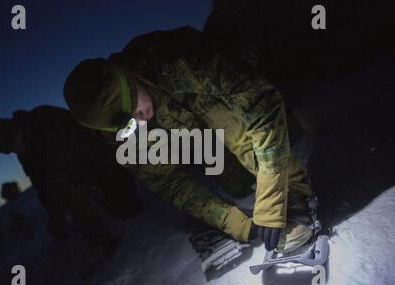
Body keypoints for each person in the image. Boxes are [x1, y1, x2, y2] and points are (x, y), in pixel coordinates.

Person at [63, 27, 315, 253]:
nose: (138, 119)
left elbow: (260, 101)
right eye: (127, 124)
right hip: (200, 140)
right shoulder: (120, 135)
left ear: (130, 80)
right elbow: (170, 183)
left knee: (242, 132)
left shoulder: (172, 59)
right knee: (237, 184)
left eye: (132, 105)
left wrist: (274, 193)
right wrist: (230, 222)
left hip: (226, 106)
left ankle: (296, 189)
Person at [0, 105, 142, 255]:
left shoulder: (43, 118)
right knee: (66, 193)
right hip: (75, 174)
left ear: (15, 131)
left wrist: (56, 213)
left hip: (99, 155)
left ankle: (120, 204)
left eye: (13, 145)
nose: (15, 151)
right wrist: (53, 216)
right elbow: (40, 185)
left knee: (129, 211)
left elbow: (60, 166)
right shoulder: (24, 153)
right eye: (10, 151)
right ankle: (100, 240)